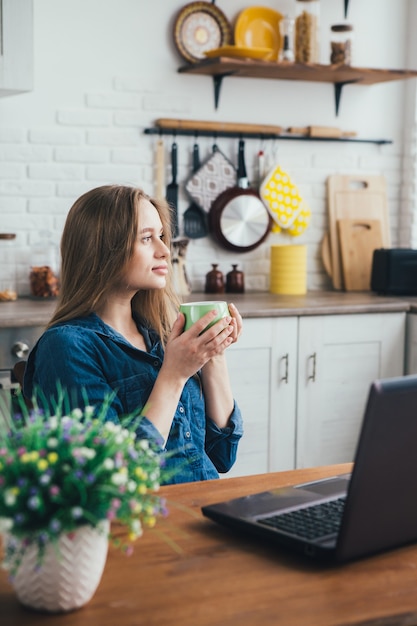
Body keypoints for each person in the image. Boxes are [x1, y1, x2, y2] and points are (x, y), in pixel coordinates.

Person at [23, 185, 244, 484]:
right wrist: (174, 375)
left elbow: (222, 456)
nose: (165, 250)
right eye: (146, 238)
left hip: (203, 505)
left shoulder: (164, 335)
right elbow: (110, 479)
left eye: (162, 236)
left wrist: (213, 356)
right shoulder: (66, 347)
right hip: (147, 523)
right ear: (101, 249)